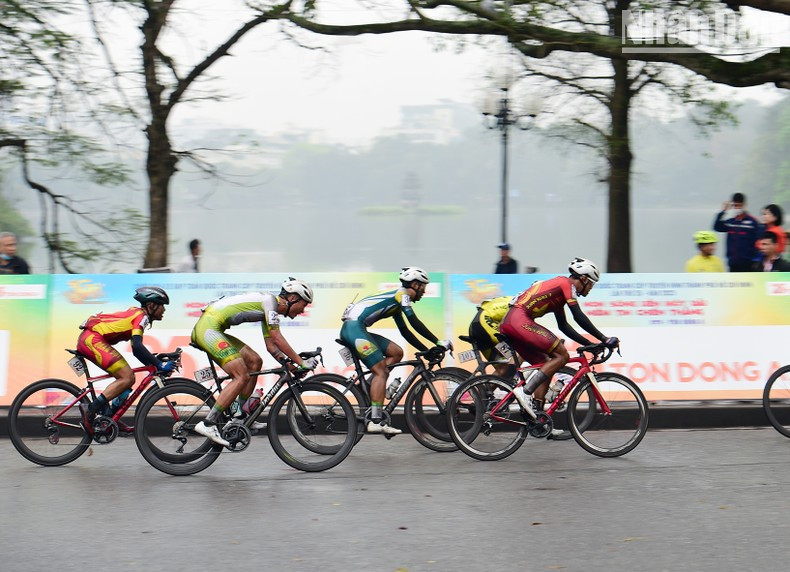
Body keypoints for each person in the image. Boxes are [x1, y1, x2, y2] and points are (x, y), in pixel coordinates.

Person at [191, 278, 317, 446]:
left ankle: (239, 417)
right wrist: (301, 362)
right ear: (293, 298)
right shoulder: (270, 302)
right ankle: (208, 423)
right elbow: (277, 337)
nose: (303, 310)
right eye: (304, 304)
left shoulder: (271, 309)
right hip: (208, 329)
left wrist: (288, 365)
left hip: (214, 328)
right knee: (241, 376)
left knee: (255, 362)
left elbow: (271, 346)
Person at [500, 258, 619, 428]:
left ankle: (538, 418)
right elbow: (578, 316)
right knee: (561, 355)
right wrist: (604, 339)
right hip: (519, 320)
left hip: (512, 321)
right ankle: (524, 392)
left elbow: (564, 326)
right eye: (591, 284)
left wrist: (588, 343)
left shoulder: (559, 295)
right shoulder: (565, 284)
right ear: (584, 279)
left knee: (547, 365)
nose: (590, 289)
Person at [340, 267, 452, 435]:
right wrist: (437, 341)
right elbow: (414, 322)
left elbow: (406, 332)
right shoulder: (403, 295)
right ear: (415, 285)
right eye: (423, 286)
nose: (424, 291)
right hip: (354, 329)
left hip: (356, 328)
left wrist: (426, 350)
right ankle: (375, 421)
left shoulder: (397, 300)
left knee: (396, 352)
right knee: (381, 372)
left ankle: (371, 386)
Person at [77, 286, 174, 432]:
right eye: (162, 306)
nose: (164, 310)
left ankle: (110, 419)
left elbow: (137, 350)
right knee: (127, 377)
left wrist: (154, 361)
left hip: (91, 338)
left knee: (127, 379)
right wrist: (159, 364)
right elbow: (137, 346)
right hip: (92, 339)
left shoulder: (137, 314)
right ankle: (89, 410)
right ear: (151, 305)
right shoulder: (142, 317)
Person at [467, 295, 516, 378]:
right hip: (483, 322)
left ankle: (484, 390)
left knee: (502, 368)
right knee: (518, 352)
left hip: (477, 326)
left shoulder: (514, 299)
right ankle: (510, 380)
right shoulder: (522, 302)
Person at [713, 193, 761, 272]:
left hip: (748, 263)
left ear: (744, 205)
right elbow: (717, 227)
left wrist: (756, 260)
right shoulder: (730, 222)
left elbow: (759, 241)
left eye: (739, 205)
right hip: (733, 263)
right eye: (735, 205)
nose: (737, 208)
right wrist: (723, 211)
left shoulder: (752, 222)